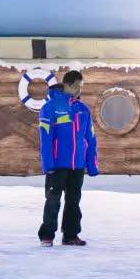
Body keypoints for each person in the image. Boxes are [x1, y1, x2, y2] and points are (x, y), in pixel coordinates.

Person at [36, 69, 98, 246]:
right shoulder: (50, 108)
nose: (80, 90)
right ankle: (47, 235)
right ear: (67, 85)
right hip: (57, 164)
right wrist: (48, 164)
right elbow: (45, 139)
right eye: (77, 86)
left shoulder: (83, 110)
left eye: (82, 86)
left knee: (73, 202)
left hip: (77, 165)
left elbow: (90, 138)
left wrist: (91, 165)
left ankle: (70, 235)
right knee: (53, 200)